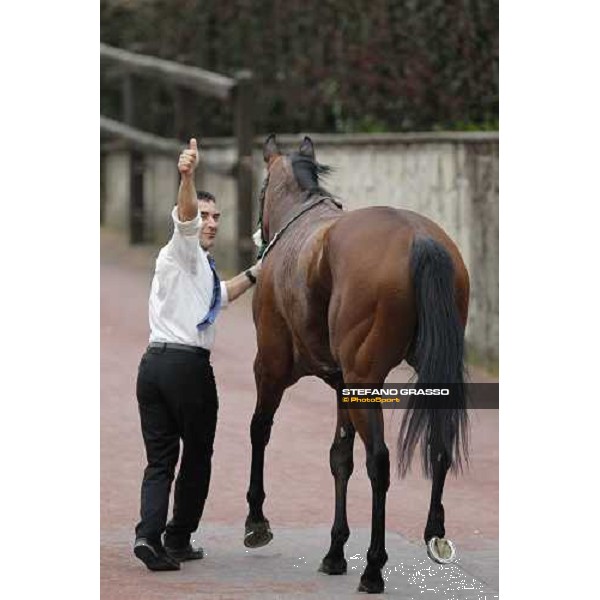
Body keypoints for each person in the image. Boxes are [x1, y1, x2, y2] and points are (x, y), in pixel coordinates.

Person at [133, 138, 260, 571]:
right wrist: (187, 177)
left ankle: (148, 538)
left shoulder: (199, 269)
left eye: (216, 217)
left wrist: (259, 271)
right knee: (198, 453)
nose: (210, 223)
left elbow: (221, 297)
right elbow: (183, 219)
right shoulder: (182, 247)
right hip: (187, 367)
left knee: (161, 459)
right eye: (205, 216)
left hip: (152, 367)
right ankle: (179, 537)